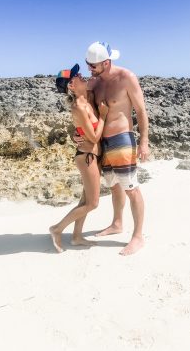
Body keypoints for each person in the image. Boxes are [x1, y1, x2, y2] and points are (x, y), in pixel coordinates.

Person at [79, 41, 150, 256]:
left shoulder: (126, 77)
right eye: (87, 64)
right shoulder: (96, 83)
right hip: (102, 141)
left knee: (130, 188)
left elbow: (140, 110)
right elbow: (85, 110)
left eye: (93, 65)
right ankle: (117, 223)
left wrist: (144, 141)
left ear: (106, 62)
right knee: (114, 186)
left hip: (122, 138)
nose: (89, 68)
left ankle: (138, 236)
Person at [49, 64, 108, 253]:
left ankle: (76, 236)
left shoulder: (88, 98)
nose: (81, 75)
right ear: (71, 87)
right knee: (93, 203)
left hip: (93, 156)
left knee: (84, 201)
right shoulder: (78, 107)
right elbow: (94, 137)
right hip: (87, 157)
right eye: (76, 76)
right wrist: (104, 117)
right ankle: (57, 229)